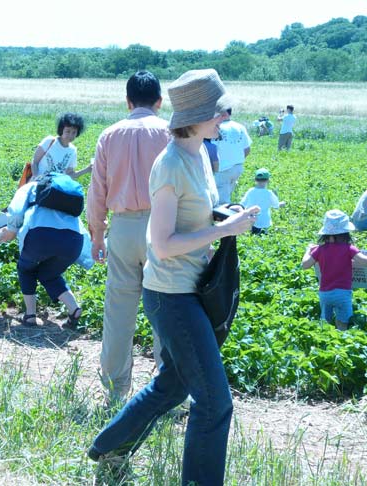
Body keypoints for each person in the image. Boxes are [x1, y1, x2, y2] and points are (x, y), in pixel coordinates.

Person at [88, 69, 260, 486]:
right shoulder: (170, 164)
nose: (224, 118)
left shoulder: (199, 153)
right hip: (171, 296)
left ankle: (109, 447)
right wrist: (222, 231)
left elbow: (192, 214)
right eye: (219, 112)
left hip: (188, 288)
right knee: (215, 404)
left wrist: (225, 215)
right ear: (200, 114)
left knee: (172, 387)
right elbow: (162, 244)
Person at [86, 71, 171, 404]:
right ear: (160, 102)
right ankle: (167, 390)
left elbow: (97, 191)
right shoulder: (170, 133)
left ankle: (115, 390)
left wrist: (97, 234)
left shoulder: (110, 135)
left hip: (121, 227)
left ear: (127, 101)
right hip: (164, 228)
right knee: (166, 309)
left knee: (119, 311)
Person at [0, 176, 83, 328]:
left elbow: (16, 211)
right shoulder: (67, 197)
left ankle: (30, 315)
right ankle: (74, 309)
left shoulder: (30, 187)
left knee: (26, 269)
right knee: (49, 275)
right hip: (74, 240)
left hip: (40, 235)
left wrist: (11, 230)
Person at [301, 209, 367, 331]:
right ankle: (340, 338)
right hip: (342, 293)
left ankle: (324, 341)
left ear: (326, 234)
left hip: (325, 294)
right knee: (343, 322)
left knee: (325, 323)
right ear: (346, 233)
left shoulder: (320, 249)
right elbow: (364, 261)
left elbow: (305, 265)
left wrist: (308, 250)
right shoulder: (349, 248)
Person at [31, 112, 92, 180]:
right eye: (67, 131)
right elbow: (35, 161)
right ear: (61, 129)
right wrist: (36, 178)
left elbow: (69, 175)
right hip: (38, 183)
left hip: (55, 187)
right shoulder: (49, 141)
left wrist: (86, 170)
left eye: (74, 132)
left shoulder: (72, 151)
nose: (70, 135)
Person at [212, 108, 252, 204]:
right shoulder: (240, 127)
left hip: (222, 169)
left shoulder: (217, 127)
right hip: (237, 167)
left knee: (222, 203)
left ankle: (225, 217)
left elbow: (212, 150)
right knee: (228, 193)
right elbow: (247, 149)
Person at [240, 168, 286, 235]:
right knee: (264, 237)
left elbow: (242, 204)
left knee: (252, 236)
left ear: (255, 180)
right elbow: (276, 205)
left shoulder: (250, 191)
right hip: (265, 223)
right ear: (268, 180)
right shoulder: (269, 193)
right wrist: (281, 203)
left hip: (251, 221)